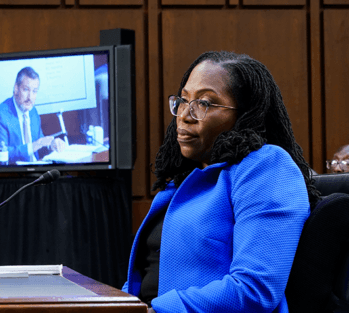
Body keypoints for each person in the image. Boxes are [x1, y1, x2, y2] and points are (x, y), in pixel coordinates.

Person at [122, 51, 320, 313]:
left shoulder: (266, 168)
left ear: (245, 115)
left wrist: (155, 311)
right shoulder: (186, 178)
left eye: (204, 103)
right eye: (183, 100)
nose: (184, 115)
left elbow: (254, 289)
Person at [0, 67, 65, 164]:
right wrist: (33, 146)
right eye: (26, 89)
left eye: (34, 91)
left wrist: (51, 145)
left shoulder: (33, 112)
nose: (30, 97)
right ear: (16, 89)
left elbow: (40, 144)